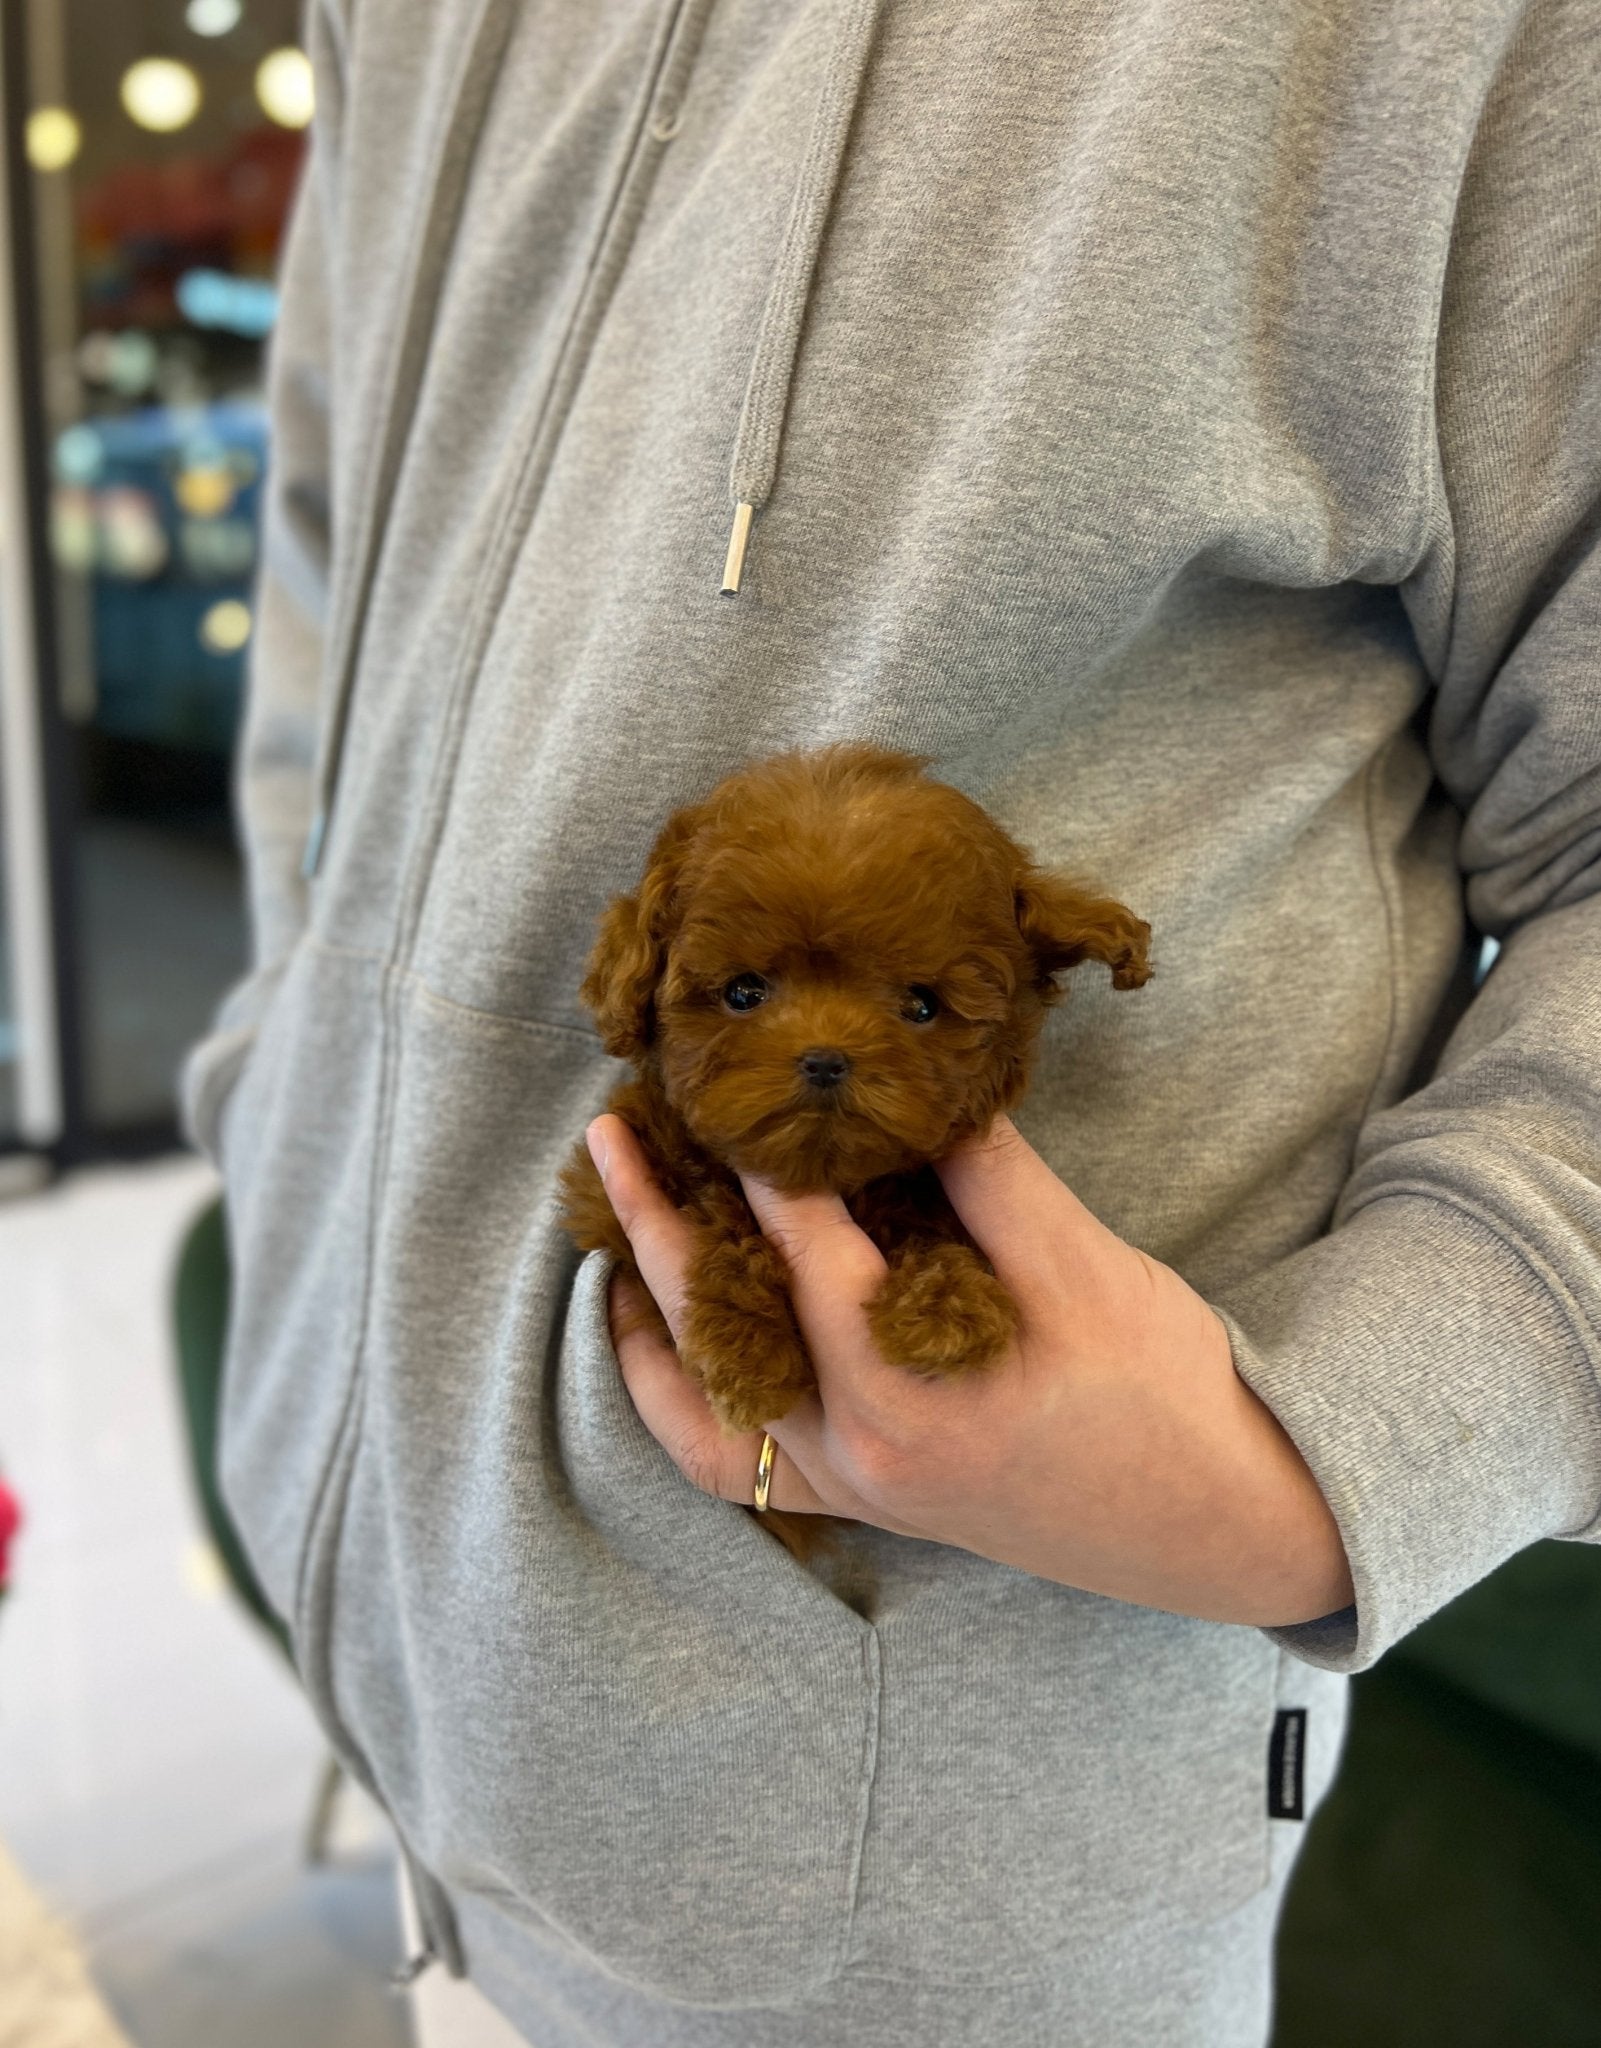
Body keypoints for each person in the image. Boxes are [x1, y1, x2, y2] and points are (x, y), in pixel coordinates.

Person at [183, 0, 1601, 2042]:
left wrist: (1326, 1456)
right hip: (429, 1747)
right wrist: (280, 1081)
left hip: (922, 1900)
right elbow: (333, 568)